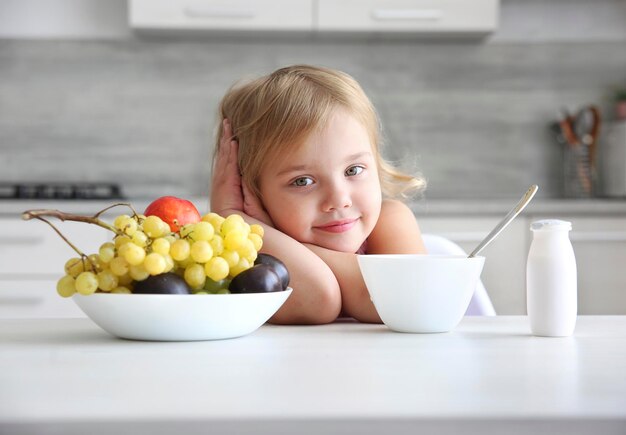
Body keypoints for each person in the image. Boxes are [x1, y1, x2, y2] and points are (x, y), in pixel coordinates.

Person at [210, 65, 427, 324]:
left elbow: (405, 300)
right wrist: (232, 217)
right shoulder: (247, 254)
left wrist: (257, 228)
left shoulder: (391, 220)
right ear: (252, 191)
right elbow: (318, 300)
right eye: (303, 181)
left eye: (353, 169)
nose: (338, 199)